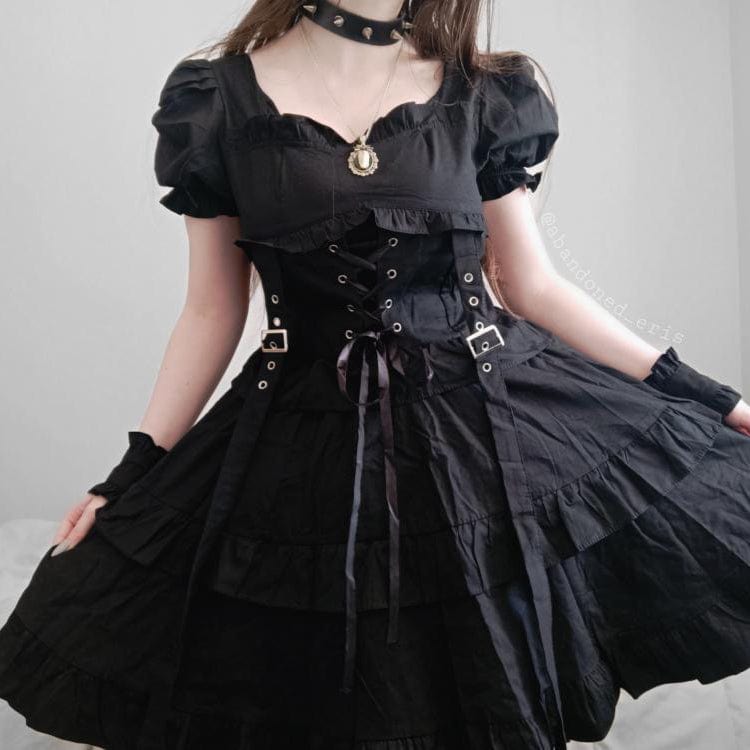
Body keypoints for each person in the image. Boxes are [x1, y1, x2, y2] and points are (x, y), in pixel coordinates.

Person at [1, 1, 749, 748]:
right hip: (300, 443)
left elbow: (532, 286)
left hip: (480, 432)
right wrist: (132, 471)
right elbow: (211, 310)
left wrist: (697, 392)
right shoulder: (214, 103)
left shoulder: (483, 94)